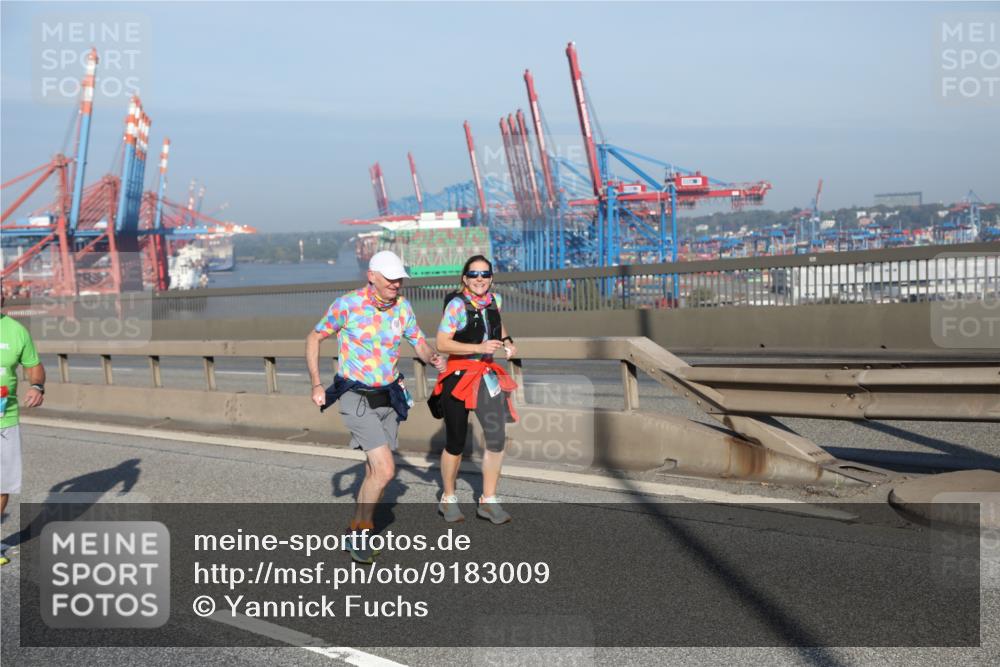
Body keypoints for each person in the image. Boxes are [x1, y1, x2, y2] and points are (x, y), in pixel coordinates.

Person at [305, 250, 445, 563]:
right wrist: (316, 383)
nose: (397, 284)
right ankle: (360, 535)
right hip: (356, 395)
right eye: (391, 278)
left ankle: (356, 527)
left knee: (374, 471)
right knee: (386, 469)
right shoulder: (348, 305)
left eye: (400, 279)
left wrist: (434, 358)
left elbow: (418, 341)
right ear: (372, 276)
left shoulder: (403, 307)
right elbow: (314, 338)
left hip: (389, 396)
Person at [431, 255, 518, 524]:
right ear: (464, 278)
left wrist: (506, 341)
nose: (479, 278)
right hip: (458, 376)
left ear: (491, 277)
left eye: (485, 273)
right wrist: (478, 348)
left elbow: (496, 322)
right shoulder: (456, 306)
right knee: (456, 442)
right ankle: (448, 498)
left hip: (486, 376)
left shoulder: (495, 300)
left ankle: (488, 500)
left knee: (496, 439)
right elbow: (442, 343)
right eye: (473, 274)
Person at [1, 310, 46, 566]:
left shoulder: (16, 331)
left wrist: (37, 386)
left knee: (2, 484)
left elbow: (34, 367)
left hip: (5, 419)